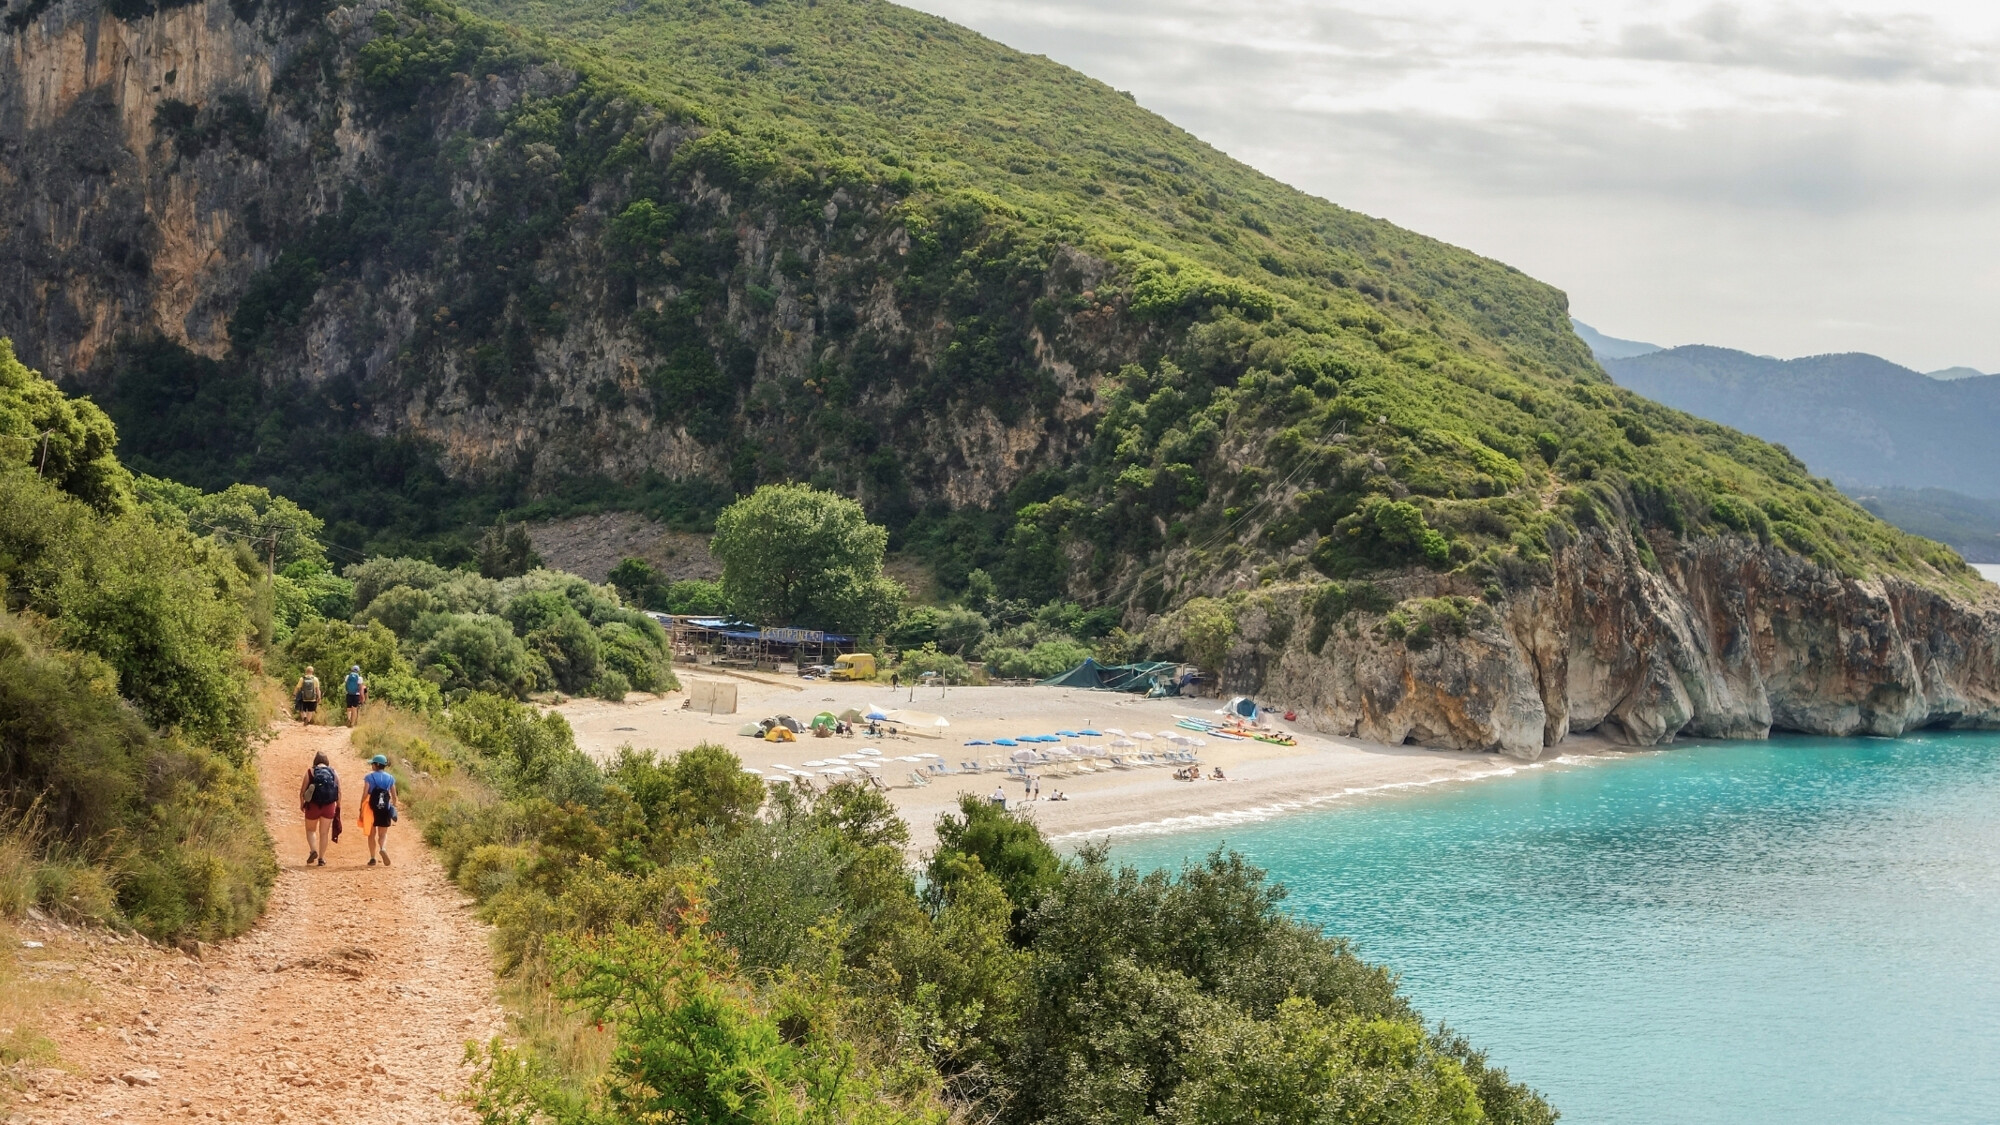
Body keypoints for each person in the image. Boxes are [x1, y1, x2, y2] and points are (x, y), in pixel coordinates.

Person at [297, 751, 340, 866]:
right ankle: (321, 859)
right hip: (329, 806)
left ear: (315, 761)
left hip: (313, 805)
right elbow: (338, 791)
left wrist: (302, 803)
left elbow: (302, 791)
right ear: (327, 761)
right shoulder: (334, 772)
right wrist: (338, 806)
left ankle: (313, 850)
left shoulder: (310, 772)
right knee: (324, 833)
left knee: (311, 830)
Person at [361, 754, 398, 867]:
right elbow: (394, 796)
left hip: (371, 809)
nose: (372, 765)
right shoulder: (390, 778)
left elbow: (364, 794)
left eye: (372, 763)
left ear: (376, 765)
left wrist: (361, 808)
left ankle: (372, 858)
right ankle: (383, 848)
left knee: (371, 835)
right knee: (383, 834)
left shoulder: (369, 777)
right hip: (385, 809)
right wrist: (393, 806)